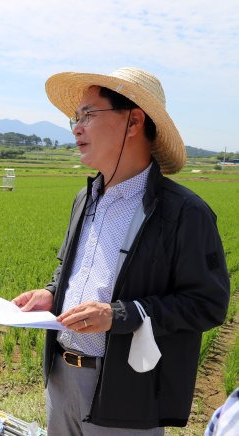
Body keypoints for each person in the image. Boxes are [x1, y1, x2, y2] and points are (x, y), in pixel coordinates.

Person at [12, 67, 230, 435]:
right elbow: (70, 269)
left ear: (133, 121)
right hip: (61, 378)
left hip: (125, 392)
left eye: (88, 115)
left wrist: (122, 314)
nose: (77, 127)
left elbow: (208, 303)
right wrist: (50, 294)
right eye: (74, 119)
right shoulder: (86, 198)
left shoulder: (182, 213)